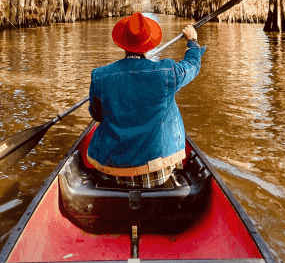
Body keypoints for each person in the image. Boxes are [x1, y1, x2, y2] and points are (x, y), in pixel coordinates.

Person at [87, 12, 206, 188]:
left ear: (122, 44)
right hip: (157, 173)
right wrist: (193, 43)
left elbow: (96, 115)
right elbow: (192, 65)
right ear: (148, 45)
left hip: (111, 172)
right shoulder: (167, 71)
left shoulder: (100, 76)